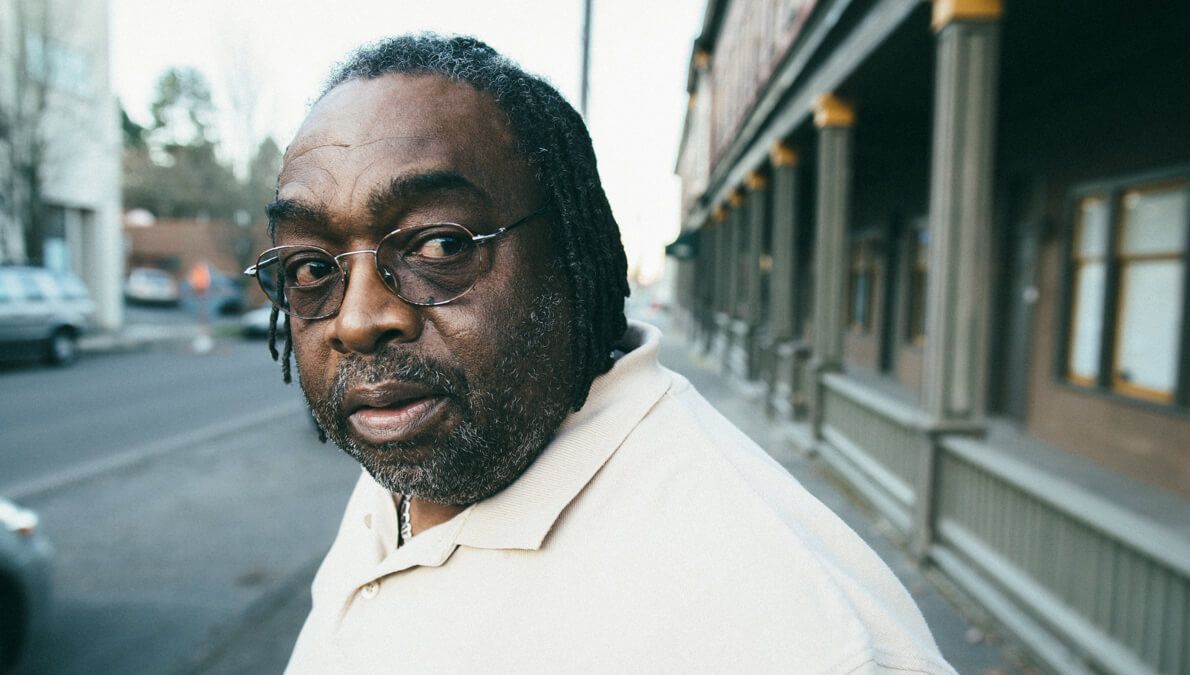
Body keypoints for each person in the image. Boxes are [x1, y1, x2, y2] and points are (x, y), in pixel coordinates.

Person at [248, 33, 953, 673]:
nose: (359, 318)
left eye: (440, 245)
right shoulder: (423, 452)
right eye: (312, 267)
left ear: (569, 255)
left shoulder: (799, 635)